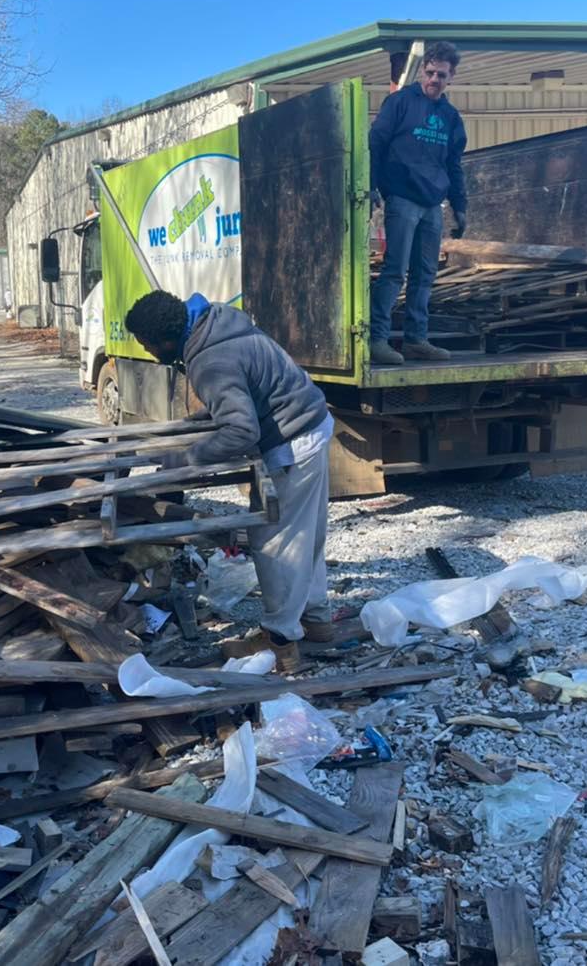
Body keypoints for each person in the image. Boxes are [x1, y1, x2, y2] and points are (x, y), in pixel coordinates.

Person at [123, 289, 334, 670]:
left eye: (147, 344)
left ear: (166, 340)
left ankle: (281, 640)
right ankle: (316, 620)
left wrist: (187, 459)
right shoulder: (217, 323)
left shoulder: (210, 361)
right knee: (307, 533)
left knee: (276, 543)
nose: (148, 352)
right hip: (311, 422)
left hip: (292, 441)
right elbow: (248, 384)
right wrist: (209, 416)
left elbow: (242, 431)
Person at [367, 41, 469, 366]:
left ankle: (416, 340)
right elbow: (375, 143)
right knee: (395, 270)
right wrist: (370, 186)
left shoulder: (451, 117)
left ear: (451, 77)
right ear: (423, 70)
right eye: (430, 72)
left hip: (432, 204)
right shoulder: (399, 103)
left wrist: (460, 205)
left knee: (425, 273)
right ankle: (377, 339)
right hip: (402, 198)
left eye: (441, 75)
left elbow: (454, 164)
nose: (434, 80)